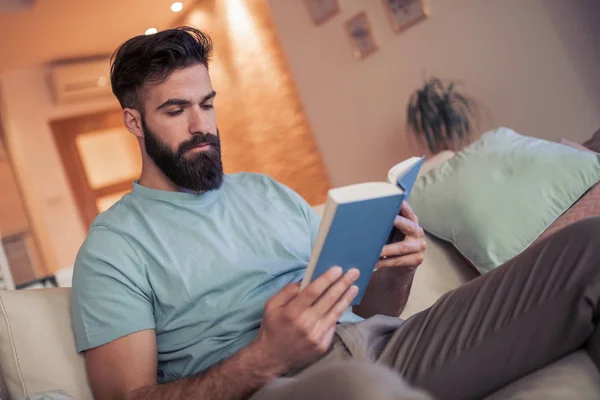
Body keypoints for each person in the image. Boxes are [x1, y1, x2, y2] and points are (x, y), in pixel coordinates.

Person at [72, 27, 600, 400]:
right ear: (134, 123)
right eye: (175, 110)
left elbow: (369, 310)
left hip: (387, 344)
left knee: (588, 247)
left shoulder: (267, 192)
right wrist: (266, 356)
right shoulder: (115, 246)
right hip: (284, 386)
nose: (201, 125)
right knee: (361, 388)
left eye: (207, 103)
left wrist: (398, 270)